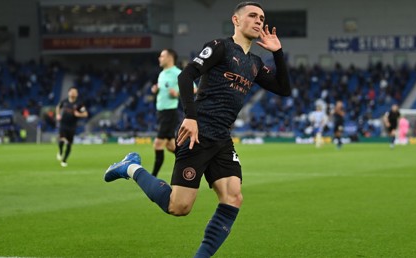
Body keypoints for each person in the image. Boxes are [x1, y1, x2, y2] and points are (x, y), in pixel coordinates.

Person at [103, 2, 290, 257]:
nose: (259, 21)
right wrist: (190, 117)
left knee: (233, 197)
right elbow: (185, 75)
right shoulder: (219, 47)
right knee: (178, 207)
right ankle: (130, 167)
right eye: (253, 15)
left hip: (222, 138)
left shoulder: (255, 62)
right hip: (197, 133)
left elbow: (284, 89)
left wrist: (278, 53)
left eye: (262, 17)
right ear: (236, 20)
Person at [150, 49, 182, 177]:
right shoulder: (162, 74)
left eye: (162, 56)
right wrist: (156, 90)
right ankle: (193, 163)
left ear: (170, 58)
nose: (159, 58)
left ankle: (153, 177)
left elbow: (194, 88)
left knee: (158, 144)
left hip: (169, 113)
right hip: (161, 113)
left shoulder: (177, 73)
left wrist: (178, 93)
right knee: (170, 146)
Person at [56, 87, 88, 167]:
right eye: (72, 92)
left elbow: (85, 114)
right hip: (63, 124)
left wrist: (79, 114)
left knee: (69, 144)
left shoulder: (80, 104)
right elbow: (58, 107)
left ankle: (64, 160)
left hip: (72, 126)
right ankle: (60, 151)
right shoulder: (65, 101)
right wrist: (58, 114)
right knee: (62, 139)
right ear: (69, 93)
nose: (73, 93)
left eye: (75, 92)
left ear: (77, 94)